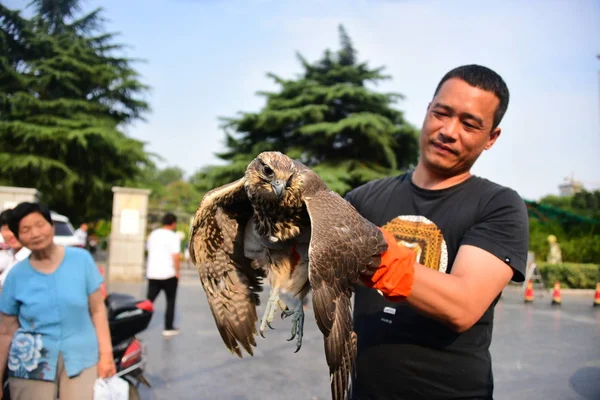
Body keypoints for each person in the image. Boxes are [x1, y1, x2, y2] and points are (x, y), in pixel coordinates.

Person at [347, 65, 529, 399]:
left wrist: (361, 251)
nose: (448, 131)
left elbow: (462, 305)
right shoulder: (363, 199)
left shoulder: (499, 206)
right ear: (427, 111)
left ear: (491, 137)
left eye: (469, 124)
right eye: (441, 113)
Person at [0, 202, 115, 400]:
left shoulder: (81, 260)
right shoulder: (16, 275)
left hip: (81, 357)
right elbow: (6, 331)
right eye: (25, 229)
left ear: (51, 226)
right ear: (18, 237)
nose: (35, 233)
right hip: (31, 361)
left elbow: (97, 310)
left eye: (40, 224)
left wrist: (106, 355)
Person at [145, 212, 182, 336]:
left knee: (149, 302)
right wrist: (177, 271)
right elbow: (175, 256)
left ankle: (138, 324)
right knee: (170, 301)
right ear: (173, 223)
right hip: (169, 274)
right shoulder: (173, 236)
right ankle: (168, 327)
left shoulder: (153, 235)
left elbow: (149, 250)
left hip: (153, 273)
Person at [0, 210, 31, 290]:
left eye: (16, 228)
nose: (12, 234)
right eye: (7, 229)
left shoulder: (33, 259)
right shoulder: (5, 254)